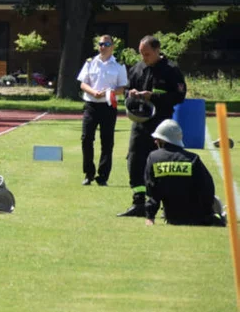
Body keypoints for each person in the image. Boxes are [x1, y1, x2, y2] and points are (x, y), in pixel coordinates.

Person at [118, 35, 187, 218]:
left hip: (162, 125)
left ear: (157, 51)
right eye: (141, 53)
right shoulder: (137, 68)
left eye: (147, 54)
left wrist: (153, 96)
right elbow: (127, 90)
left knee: (162, 162)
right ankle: (139, 202)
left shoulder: (171, 70)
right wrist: (131, 94)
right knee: (134, 159)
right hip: (140, 122)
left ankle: (168, 205)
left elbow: (179, 96)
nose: (144, 58)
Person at [141, 120, 226, 227]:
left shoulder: (154, 158)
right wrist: (208, 212)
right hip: (198, 217)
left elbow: (153, 191)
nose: (155, 142)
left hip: (172, 218)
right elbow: (207, 188)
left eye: (157, 139)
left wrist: (150, 217)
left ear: (163, 140)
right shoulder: (193, 159)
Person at [76, 35, 127, 186]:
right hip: (91, 104)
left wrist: (109, 92)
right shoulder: (90, 63)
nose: (103, 47)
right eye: (100, 44)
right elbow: (83, 84)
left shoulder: (119, 66)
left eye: (106, 44)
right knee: (86, 139)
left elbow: (122, 88)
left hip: (108, 106)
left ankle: (103, 176)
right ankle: (88, 173)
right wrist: (93, 92)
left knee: (107, 141)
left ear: (112, 46)